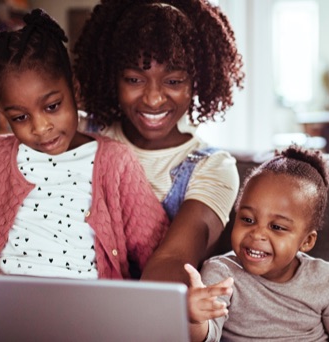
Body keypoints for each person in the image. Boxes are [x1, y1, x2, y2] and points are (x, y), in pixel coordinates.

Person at [0, 9, 168, 342]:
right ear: (3, 114)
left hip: (84, 314)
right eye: (20, 117)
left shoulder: (115, 161)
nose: (41, 128)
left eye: (52, 106)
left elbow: (154, 246)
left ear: (75, 90)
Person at [72, 0, 245, 283]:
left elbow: (173, 261)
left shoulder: (213, 167)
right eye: (134, 79)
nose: (153, 99)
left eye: (174, 81)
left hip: (144, 311)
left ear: (196, 82)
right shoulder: (80, 134)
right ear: (112, 78)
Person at [184, 145, 329, 342]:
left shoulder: (325, 279)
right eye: (247, 219)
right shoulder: (221, 274)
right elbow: (208, 336)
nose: (257, 234)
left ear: (306, 241)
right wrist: (195, 319)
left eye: (277, 227)